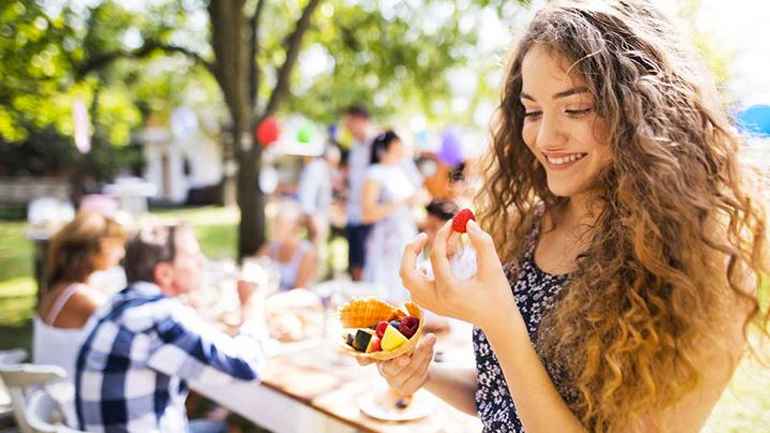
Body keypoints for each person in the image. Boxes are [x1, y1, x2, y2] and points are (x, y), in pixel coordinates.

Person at [362, 1, 768, 432]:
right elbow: (503, 394)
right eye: (532, 111)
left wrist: (499, 322)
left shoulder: (704, 275)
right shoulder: (528, 226)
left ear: (644, 113)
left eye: (576, 109)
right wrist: (423, 374)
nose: (545, 137)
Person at [74, 222, 266, 433]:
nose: (202, 262)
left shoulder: (117, 304)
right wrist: (252, 301)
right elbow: (248, 367)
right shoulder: (159, 317)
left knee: (220, 427)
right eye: (193, 256)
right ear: (164, 274)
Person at [34, 212, 127, 382]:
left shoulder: (56, 290)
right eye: (118, 246)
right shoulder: (79, 298)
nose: (122, 253)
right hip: (67, 401)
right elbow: (130, 330)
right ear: (101, 247)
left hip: (50, 397)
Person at [361, 130, 425, 303]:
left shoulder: (400, 170)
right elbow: (367, 213)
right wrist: (401, 202)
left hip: (406, 235)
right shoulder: (375, 173)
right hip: (385, 241)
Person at [342, 105, 379, 281]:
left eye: (350, 123)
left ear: (361, 120)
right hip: (354, 213)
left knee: (367, 263)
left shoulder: (378, 145)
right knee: (354, 262)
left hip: (371, 215)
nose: (348, 128)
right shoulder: (355, 148)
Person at [297, 144, 341, 276]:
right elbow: (307, 196)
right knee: (313, 253)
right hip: (314, 217)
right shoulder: (316, 169)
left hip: (319, 216)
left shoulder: (322, 169)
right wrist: (311, 219)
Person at [257, 201, 317, 291]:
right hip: (267, 296)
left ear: (294, 226)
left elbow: (299, 290)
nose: (274, 228)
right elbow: (252, 266)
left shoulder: (307, 253)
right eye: (274, 223)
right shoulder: (272, 246)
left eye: (279, 224)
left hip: (292, 301)